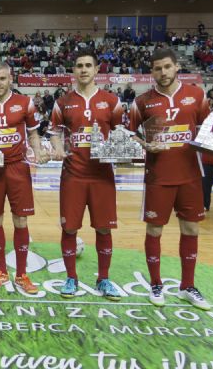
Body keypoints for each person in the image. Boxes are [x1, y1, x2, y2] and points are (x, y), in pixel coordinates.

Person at [128, 48, 211, 310]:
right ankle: (155, 283)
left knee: (191, 229)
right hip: (158, 176)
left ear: (176, 67)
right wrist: (145, 145)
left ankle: (188, 286)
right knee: (154, 230)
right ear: (151, 72)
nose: (162, 72)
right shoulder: (141, 102)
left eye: (166, 67)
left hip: (190, 175)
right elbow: (129, 133)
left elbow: (208, 131)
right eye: (157, 68)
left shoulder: (197, 95)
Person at [47, 49, 124, 300]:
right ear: (73, 70)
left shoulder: (111, 101)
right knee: (69, 228)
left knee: (103, 228)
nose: (83, 70)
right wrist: (58, 150)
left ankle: (104, 279)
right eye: (79, 65)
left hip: (102, 176)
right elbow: (55, 133)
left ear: (96, 69)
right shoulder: (63, 102)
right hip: (73, 175)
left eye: (88, 65)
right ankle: (71, 279)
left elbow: (121, 133)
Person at [0, 62, 48, 294]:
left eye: (2, 79)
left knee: (21, 221)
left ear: (10, 78)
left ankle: (22, 274)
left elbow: (34, 133)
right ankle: (1, 272)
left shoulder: (24, 103)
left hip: (18, 168)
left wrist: (38, 152)